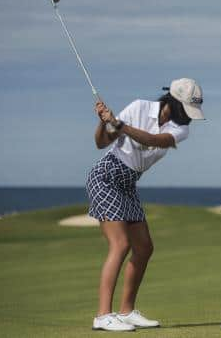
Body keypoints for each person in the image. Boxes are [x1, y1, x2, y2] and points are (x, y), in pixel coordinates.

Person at [86, 78, 204, 332]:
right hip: (106, 177)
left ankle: (126, 312)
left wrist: (120, 124)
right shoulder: (139, 107)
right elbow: (101, 143)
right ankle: (102, 315)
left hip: (128, 183)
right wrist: (103, 120)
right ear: (172, 102)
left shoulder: (181, 130)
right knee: (121, 244)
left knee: (144, 247)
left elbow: (153, 140)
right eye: (186, 110)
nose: (189, 117)